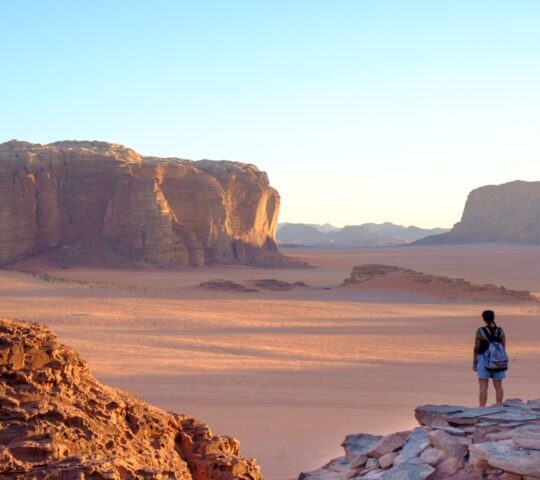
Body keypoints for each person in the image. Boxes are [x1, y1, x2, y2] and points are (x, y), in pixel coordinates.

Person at [473, 310, 506, 406]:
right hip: (498, 361)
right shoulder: (501, 330)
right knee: (498, 386)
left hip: (484, 360)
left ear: (484, 319)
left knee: (483, 387)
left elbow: (476, 347)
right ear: (493, 318)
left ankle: (482, 409)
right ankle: (499, 407)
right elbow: (503, 348)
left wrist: (474, 362)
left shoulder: (480, 331)